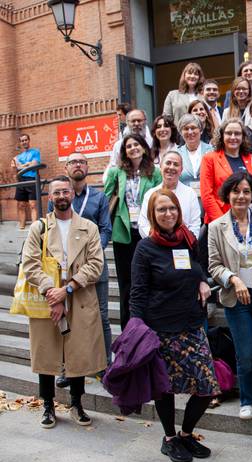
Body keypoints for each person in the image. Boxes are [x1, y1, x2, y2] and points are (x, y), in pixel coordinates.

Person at [130, 188, 217, 462]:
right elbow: (138, 292)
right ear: (153, 215)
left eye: (172, 209)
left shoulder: (188, 240)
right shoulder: (145, 248)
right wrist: (137, 328)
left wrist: (202, 280)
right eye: (162, 210)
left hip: (192, 324)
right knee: (165, 388)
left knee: (206, 387)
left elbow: (198, 266)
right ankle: (169, 439)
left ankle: (187, 434)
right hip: (161, 329)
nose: (168, 214)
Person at [22, 176, 105, 429]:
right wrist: (53, 292)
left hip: (79, 297)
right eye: (56, 192)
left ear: (72, 194)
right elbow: (30, 264)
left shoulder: (88, 227)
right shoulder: (39, 228)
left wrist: (67, 289)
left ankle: (76, 404)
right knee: (47, 352)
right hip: (47, 299)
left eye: (65, 191)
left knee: (78, 353)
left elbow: (96, 264)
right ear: (50, 197)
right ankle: (48, 404)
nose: (61, 196)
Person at [208, 171, 252, 421]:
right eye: (236, 191)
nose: (241, 196)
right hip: (236, 297)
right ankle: (247, 399)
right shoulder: (216, 227)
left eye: (246, 191)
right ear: (228, 194)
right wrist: (234, 279)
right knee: (245, 353)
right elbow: (213, 265)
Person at [104, 133, 163, 329]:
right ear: (124, 152)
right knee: (126, 284)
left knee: (148, 279)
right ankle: (127, 330)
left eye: (136, 144)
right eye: (128, 146)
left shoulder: (154, 172)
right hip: (124, 233)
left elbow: (158, 200)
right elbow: (106, 199)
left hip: (148, 232)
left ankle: (148, 326)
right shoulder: (117, 172)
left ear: (144, 148)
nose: (133, 149)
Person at [63, 153, 113, 368]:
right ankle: (70, 366)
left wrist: (92, 254)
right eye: (73, 162)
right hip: (67, 268)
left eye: (81, 162)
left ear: (87, 167)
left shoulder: (98, 197)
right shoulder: (60, 196)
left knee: (101, 315)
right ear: (67, 168)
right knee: (70, 316)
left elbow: (105, 230)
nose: (78, 165)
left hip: (95, 265)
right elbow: (52, 228)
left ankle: (106, 366)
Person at [202, 118, 252, 226]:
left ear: (243, 137)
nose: (233, 137)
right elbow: (207, 195)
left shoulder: (251, 159)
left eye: (237, 133)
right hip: (219, 221)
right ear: (222, 136)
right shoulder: (210, 159)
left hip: (247, 221)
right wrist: (223, 222)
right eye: (228, 133)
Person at [138, 150, 201, 238]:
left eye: (176, 164)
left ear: (181, 170)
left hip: (182, 245)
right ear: (160, 166)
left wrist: (183, 241)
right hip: (156, 246)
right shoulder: (150, 194)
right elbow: (143, 224)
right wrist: (157, 241)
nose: (171, 167)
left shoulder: (190, 194)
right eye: (168, 163)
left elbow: (195, 225)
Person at [175, 113, 213, 190]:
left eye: (193, 128)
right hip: (184, 200)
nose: (190, 132)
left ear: (201, 130)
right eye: (186, 129)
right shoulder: (176, 154)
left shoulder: (212, 151)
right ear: (181, 132)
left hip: (208, 198)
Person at [13, 133, 40, 229]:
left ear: (29, 140)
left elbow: (34, 164)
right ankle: (22, 226)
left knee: (33, 204)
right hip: (21, 180)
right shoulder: (18, 156)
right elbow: (16, 167)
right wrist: (27, 164)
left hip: (32, 179)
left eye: (25, 140)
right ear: (20, 143)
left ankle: (34, 228)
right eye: (22, 141)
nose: (24, 142)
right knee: (21, 205)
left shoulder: (35, 152)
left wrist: (22, 165)